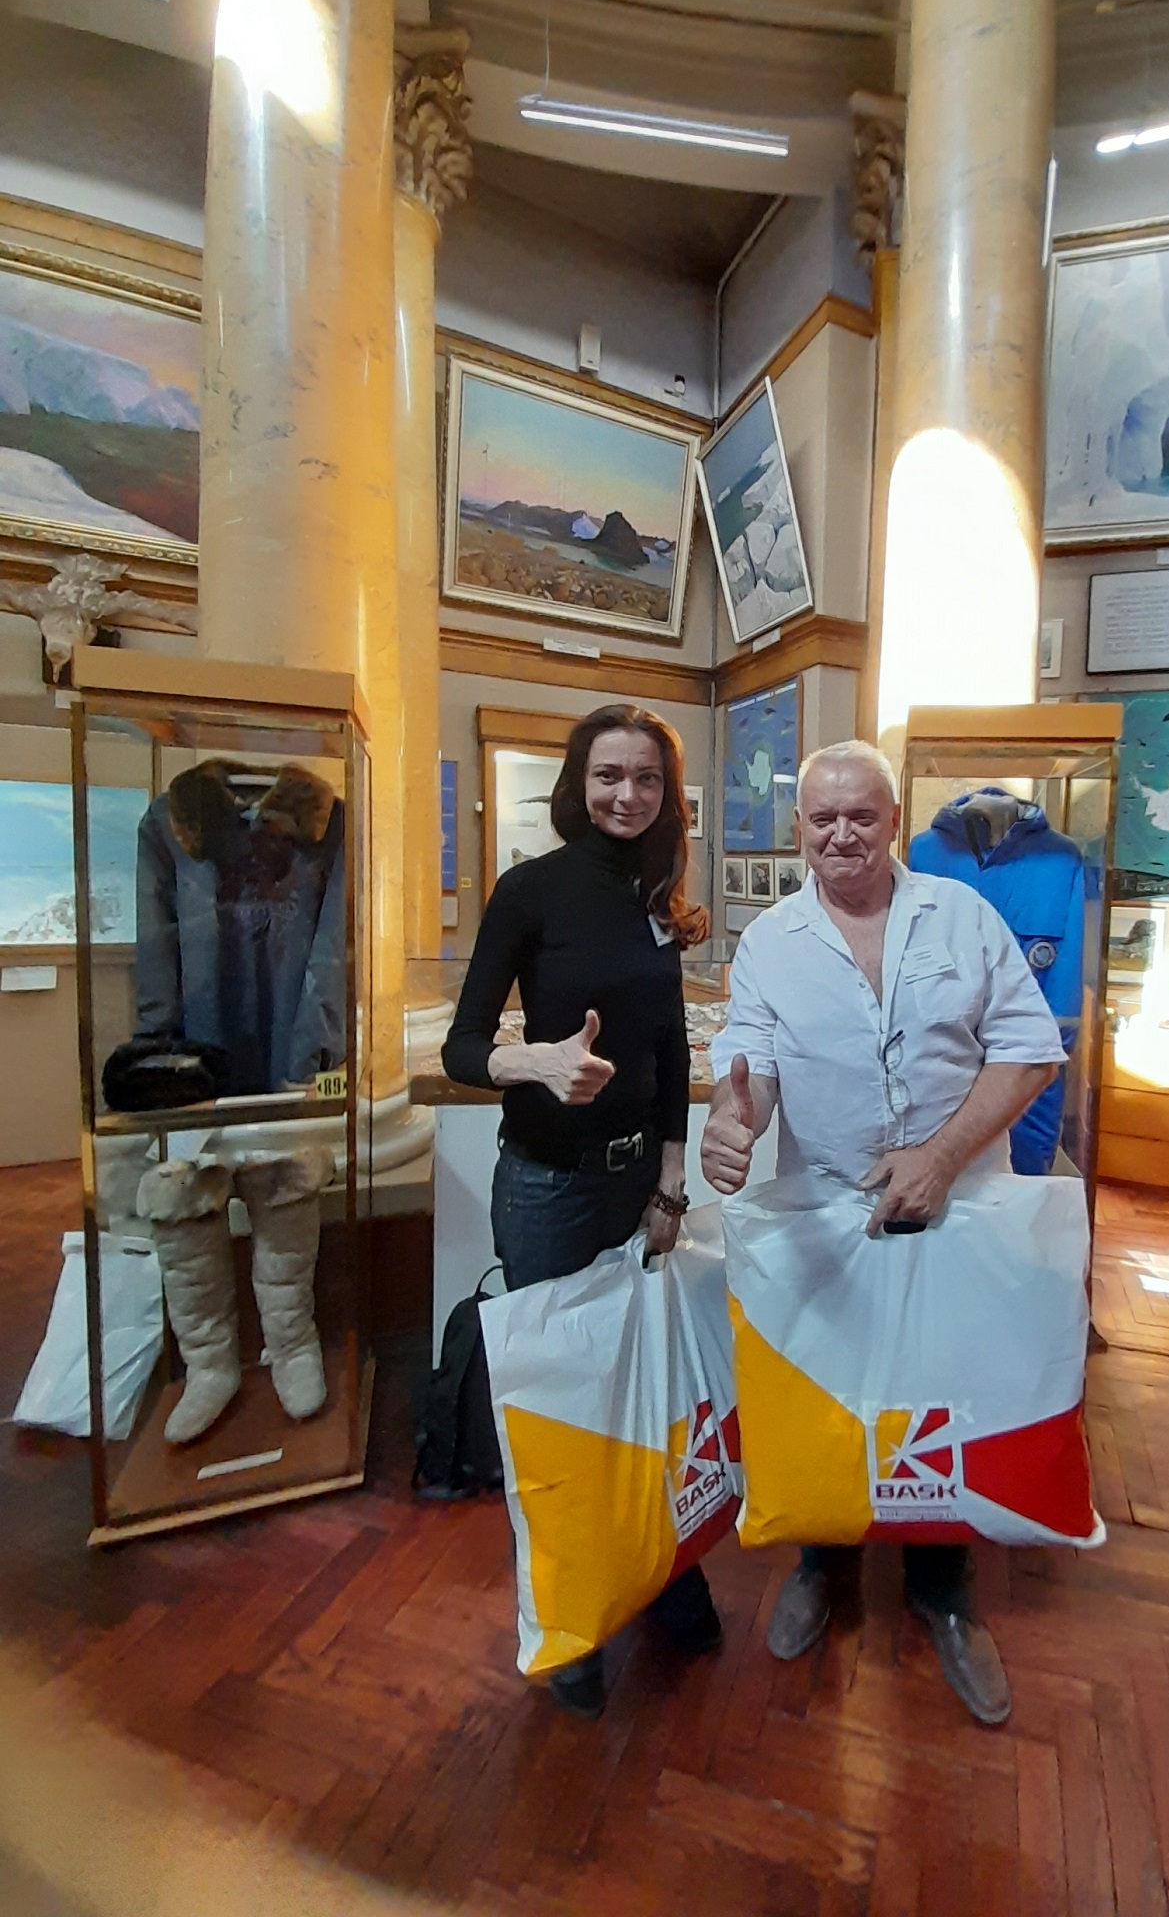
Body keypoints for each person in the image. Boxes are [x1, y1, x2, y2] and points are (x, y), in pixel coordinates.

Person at [701, 739, 1064, 1727]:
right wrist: (732, 1123)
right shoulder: (771, 942)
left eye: (861, 814)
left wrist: (938, 1158)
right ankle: (822, 1564)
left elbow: (1031, 1050)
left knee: (943, 1401)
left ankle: (945, 1595)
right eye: (822, 818)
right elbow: (750, 1063)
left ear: (896, 819)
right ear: (799, 829)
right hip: (828, 1216)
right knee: (832, 1393)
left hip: (957, 1206)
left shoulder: (963, 916)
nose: (842, 834)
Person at [442, 703, 721, 1720]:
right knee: (561, 1401)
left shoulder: (656, 897)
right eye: (609, 775)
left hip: (635, 1183)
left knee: (641, 1382)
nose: (626, 794)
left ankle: (657, 1566)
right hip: (550, 1188)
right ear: (578, 783)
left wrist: (672, 1180)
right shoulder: (531, 889)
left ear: (666, 794)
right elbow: (463, 1046)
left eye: (646, 778)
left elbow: (672, 1049)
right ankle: (573, 1610)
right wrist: (537, 1063)